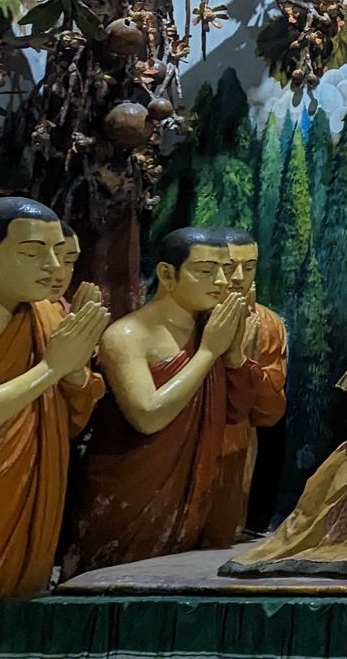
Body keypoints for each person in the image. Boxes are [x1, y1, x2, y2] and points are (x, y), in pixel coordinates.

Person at [69, 227, 252, 574]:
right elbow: (147, 416)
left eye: (225, 270)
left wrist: (233, 356)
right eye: (205, 270)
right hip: (132, 491)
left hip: (192, 489)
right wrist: (209, 352)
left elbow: (238, 412)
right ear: (167, 274)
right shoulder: (127, 336)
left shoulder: (212, 328)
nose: (222, 280)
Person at [0, 198, 105, 596]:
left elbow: (72, 413)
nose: (56, 269)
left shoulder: (46, 314)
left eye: (60, 255)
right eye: (32, 253)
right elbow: (48, 376)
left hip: (34, 476)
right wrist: (51, 369)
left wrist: (75, 372)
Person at [203, 227, 287, 548]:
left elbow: (270, 412)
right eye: (228, 267)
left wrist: (244, 361)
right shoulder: (187, 316)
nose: (238, 277)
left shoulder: (266, 324)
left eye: (249, 267)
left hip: (238, 440)